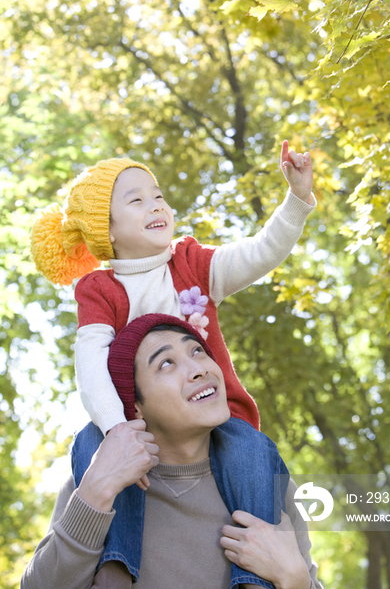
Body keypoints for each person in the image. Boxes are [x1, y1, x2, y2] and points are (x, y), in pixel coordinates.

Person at [30, 140, 316, 587]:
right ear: (106, 228)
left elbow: (258, 253)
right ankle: (116, 567)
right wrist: (115, 430)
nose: (156, 204)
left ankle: (254, 579)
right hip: (126, 428)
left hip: (217, 428)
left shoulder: (191, 264)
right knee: (89, 449)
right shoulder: (100, 290)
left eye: (158, 194)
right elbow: (89, 363)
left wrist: (296, 201)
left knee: (256, 450)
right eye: (137, 199)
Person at [21, 314, 322, 589]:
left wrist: (295, 580)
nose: (198, 369)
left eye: (197, 351)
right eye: (166, 363)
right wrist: (95, 491)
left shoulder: (265, 482)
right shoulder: (91, 481)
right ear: (134, 405)